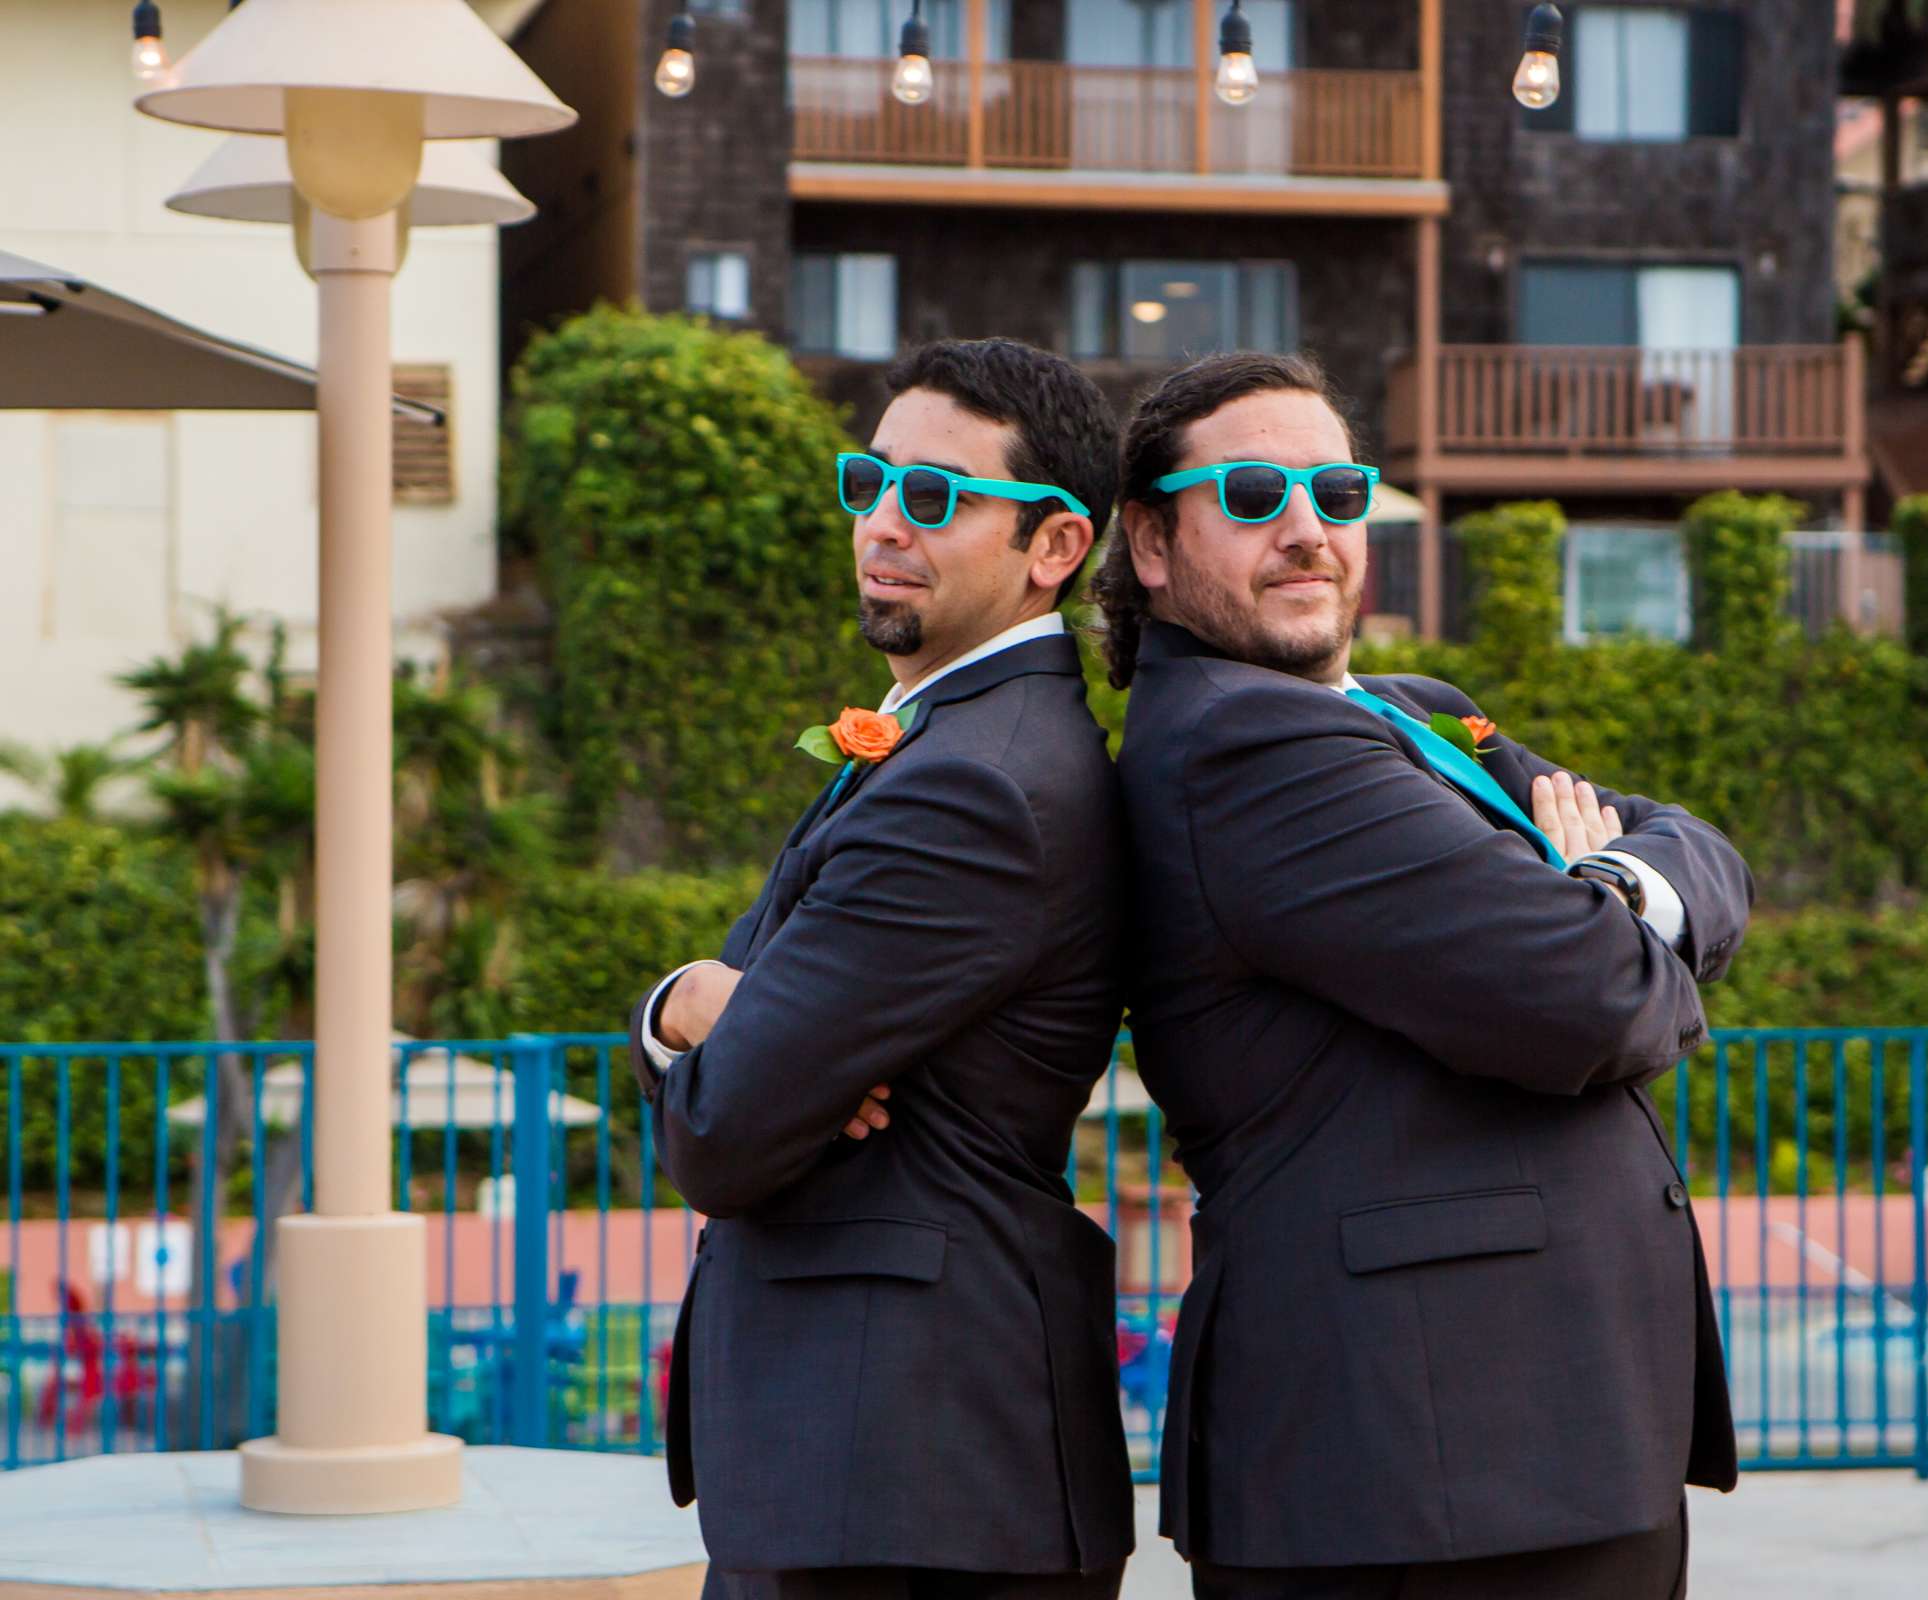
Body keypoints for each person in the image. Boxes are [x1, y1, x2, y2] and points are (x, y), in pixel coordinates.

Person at [1094, 352, 1750, 1599]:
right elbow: (1590, 997)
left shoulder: (1412, 707)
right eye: (1249, 495)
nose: (1306, 531)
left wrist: (1615, 884)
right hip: (1422, 1472)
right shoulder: (1242, 744)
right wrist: (1604, 903)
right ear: (1151, 540)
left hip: (1521, 1444)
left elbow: (1705, 848)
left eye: (1336, 494)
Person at [629, 338, 1134, 1600]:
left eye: (935, 495)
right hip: (886, 1460)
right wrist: (685, 1006)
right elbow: (741, 1053)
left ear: (1055, 547)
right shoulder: (953, 740)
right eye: (870, 481)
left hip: (907, 1471)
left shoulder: (976, 779)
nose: (882, 523)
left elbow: (727, 1133)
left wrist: (709, 1013)